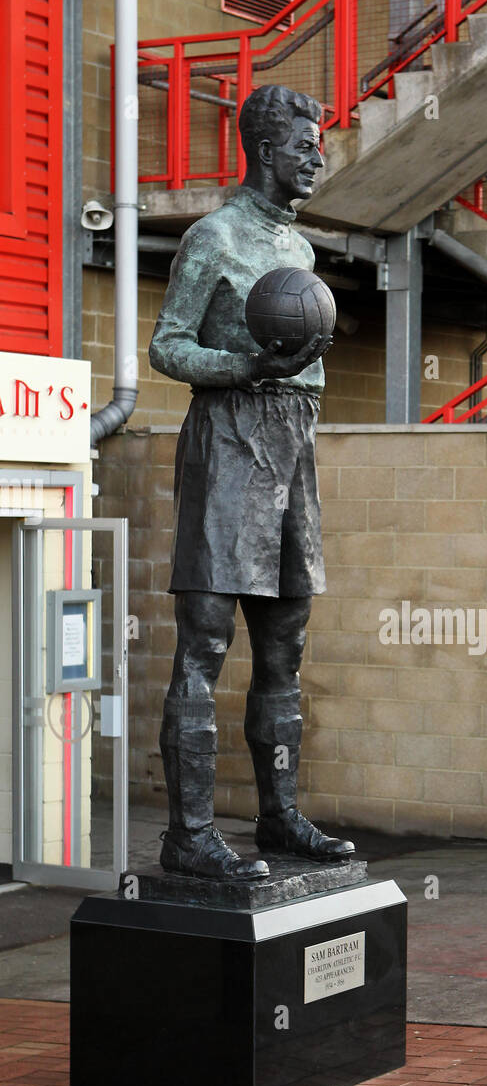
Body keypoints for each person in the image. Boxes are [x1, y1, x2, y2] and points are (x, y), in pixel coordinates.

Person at [149, 85, 355, 879]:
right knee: (204, 641)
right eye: (306, 144)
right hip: (229, 438)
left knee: (286, 644)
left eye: (320, 145)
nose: (317, 157)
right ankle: (190, 834)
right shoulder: (214, 236)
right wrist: (243, 365)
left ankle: (280, 818)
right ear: (267, 150)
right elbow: (168, 347)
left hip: (292, 441)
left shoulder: (298, 253)